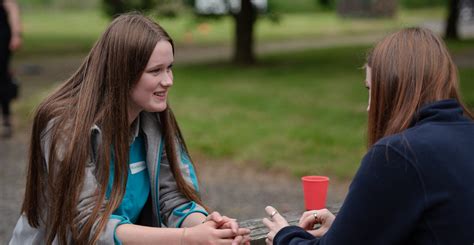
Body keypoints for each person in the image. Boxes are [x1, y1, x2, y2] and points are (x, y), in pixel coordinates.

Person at [10, 13, 250, 244]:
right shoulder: (63, 125)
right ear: (122, 73)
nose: (168, 81)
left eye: (169, 68)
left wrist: (208, 227)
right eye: (155, 71)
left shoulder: (154, 115)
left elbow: (173, 198)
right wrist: (186, 239)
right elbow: (87, 225)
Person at [263, 27, 474, 244]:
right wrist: (349, 227)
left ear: (392, 89)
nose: (368, 107)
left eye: (371, 89)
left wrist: (284, 236)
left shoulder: (400, 154)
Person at [0, 0, 21, 138]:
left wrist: (16, 34)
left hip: (1, 37)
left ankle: (7, 120)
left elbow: (12, 8)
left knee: (2, 78)